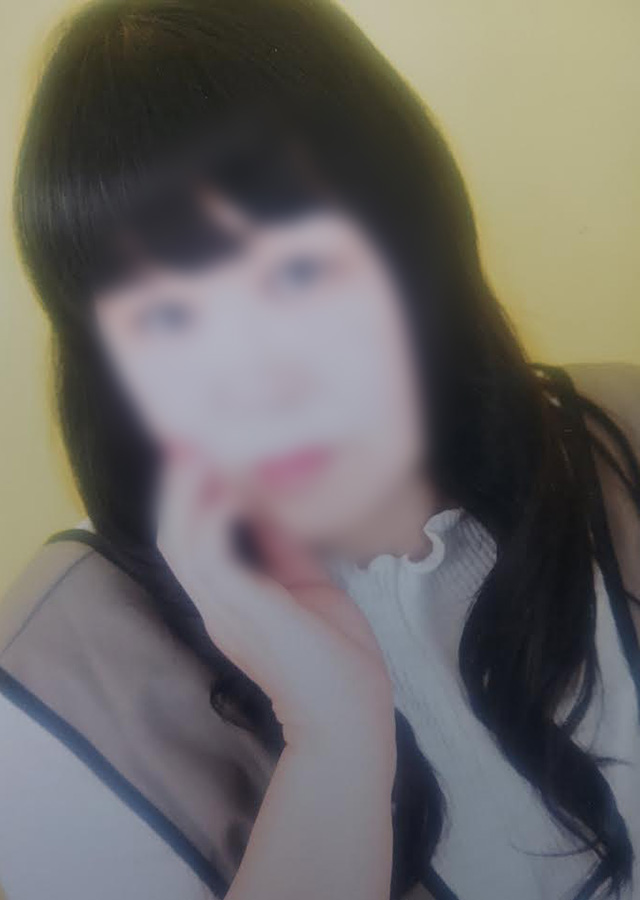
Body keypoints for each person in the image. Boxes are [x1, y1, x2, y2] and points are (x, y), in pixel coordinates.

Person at [1, 1, 639, 899]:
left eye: (296, 274)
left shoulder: (620, 437)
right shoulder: (64, 688)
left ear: (411, 245)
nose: (253, 378)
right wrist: (332, 745)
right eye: (168, 319)